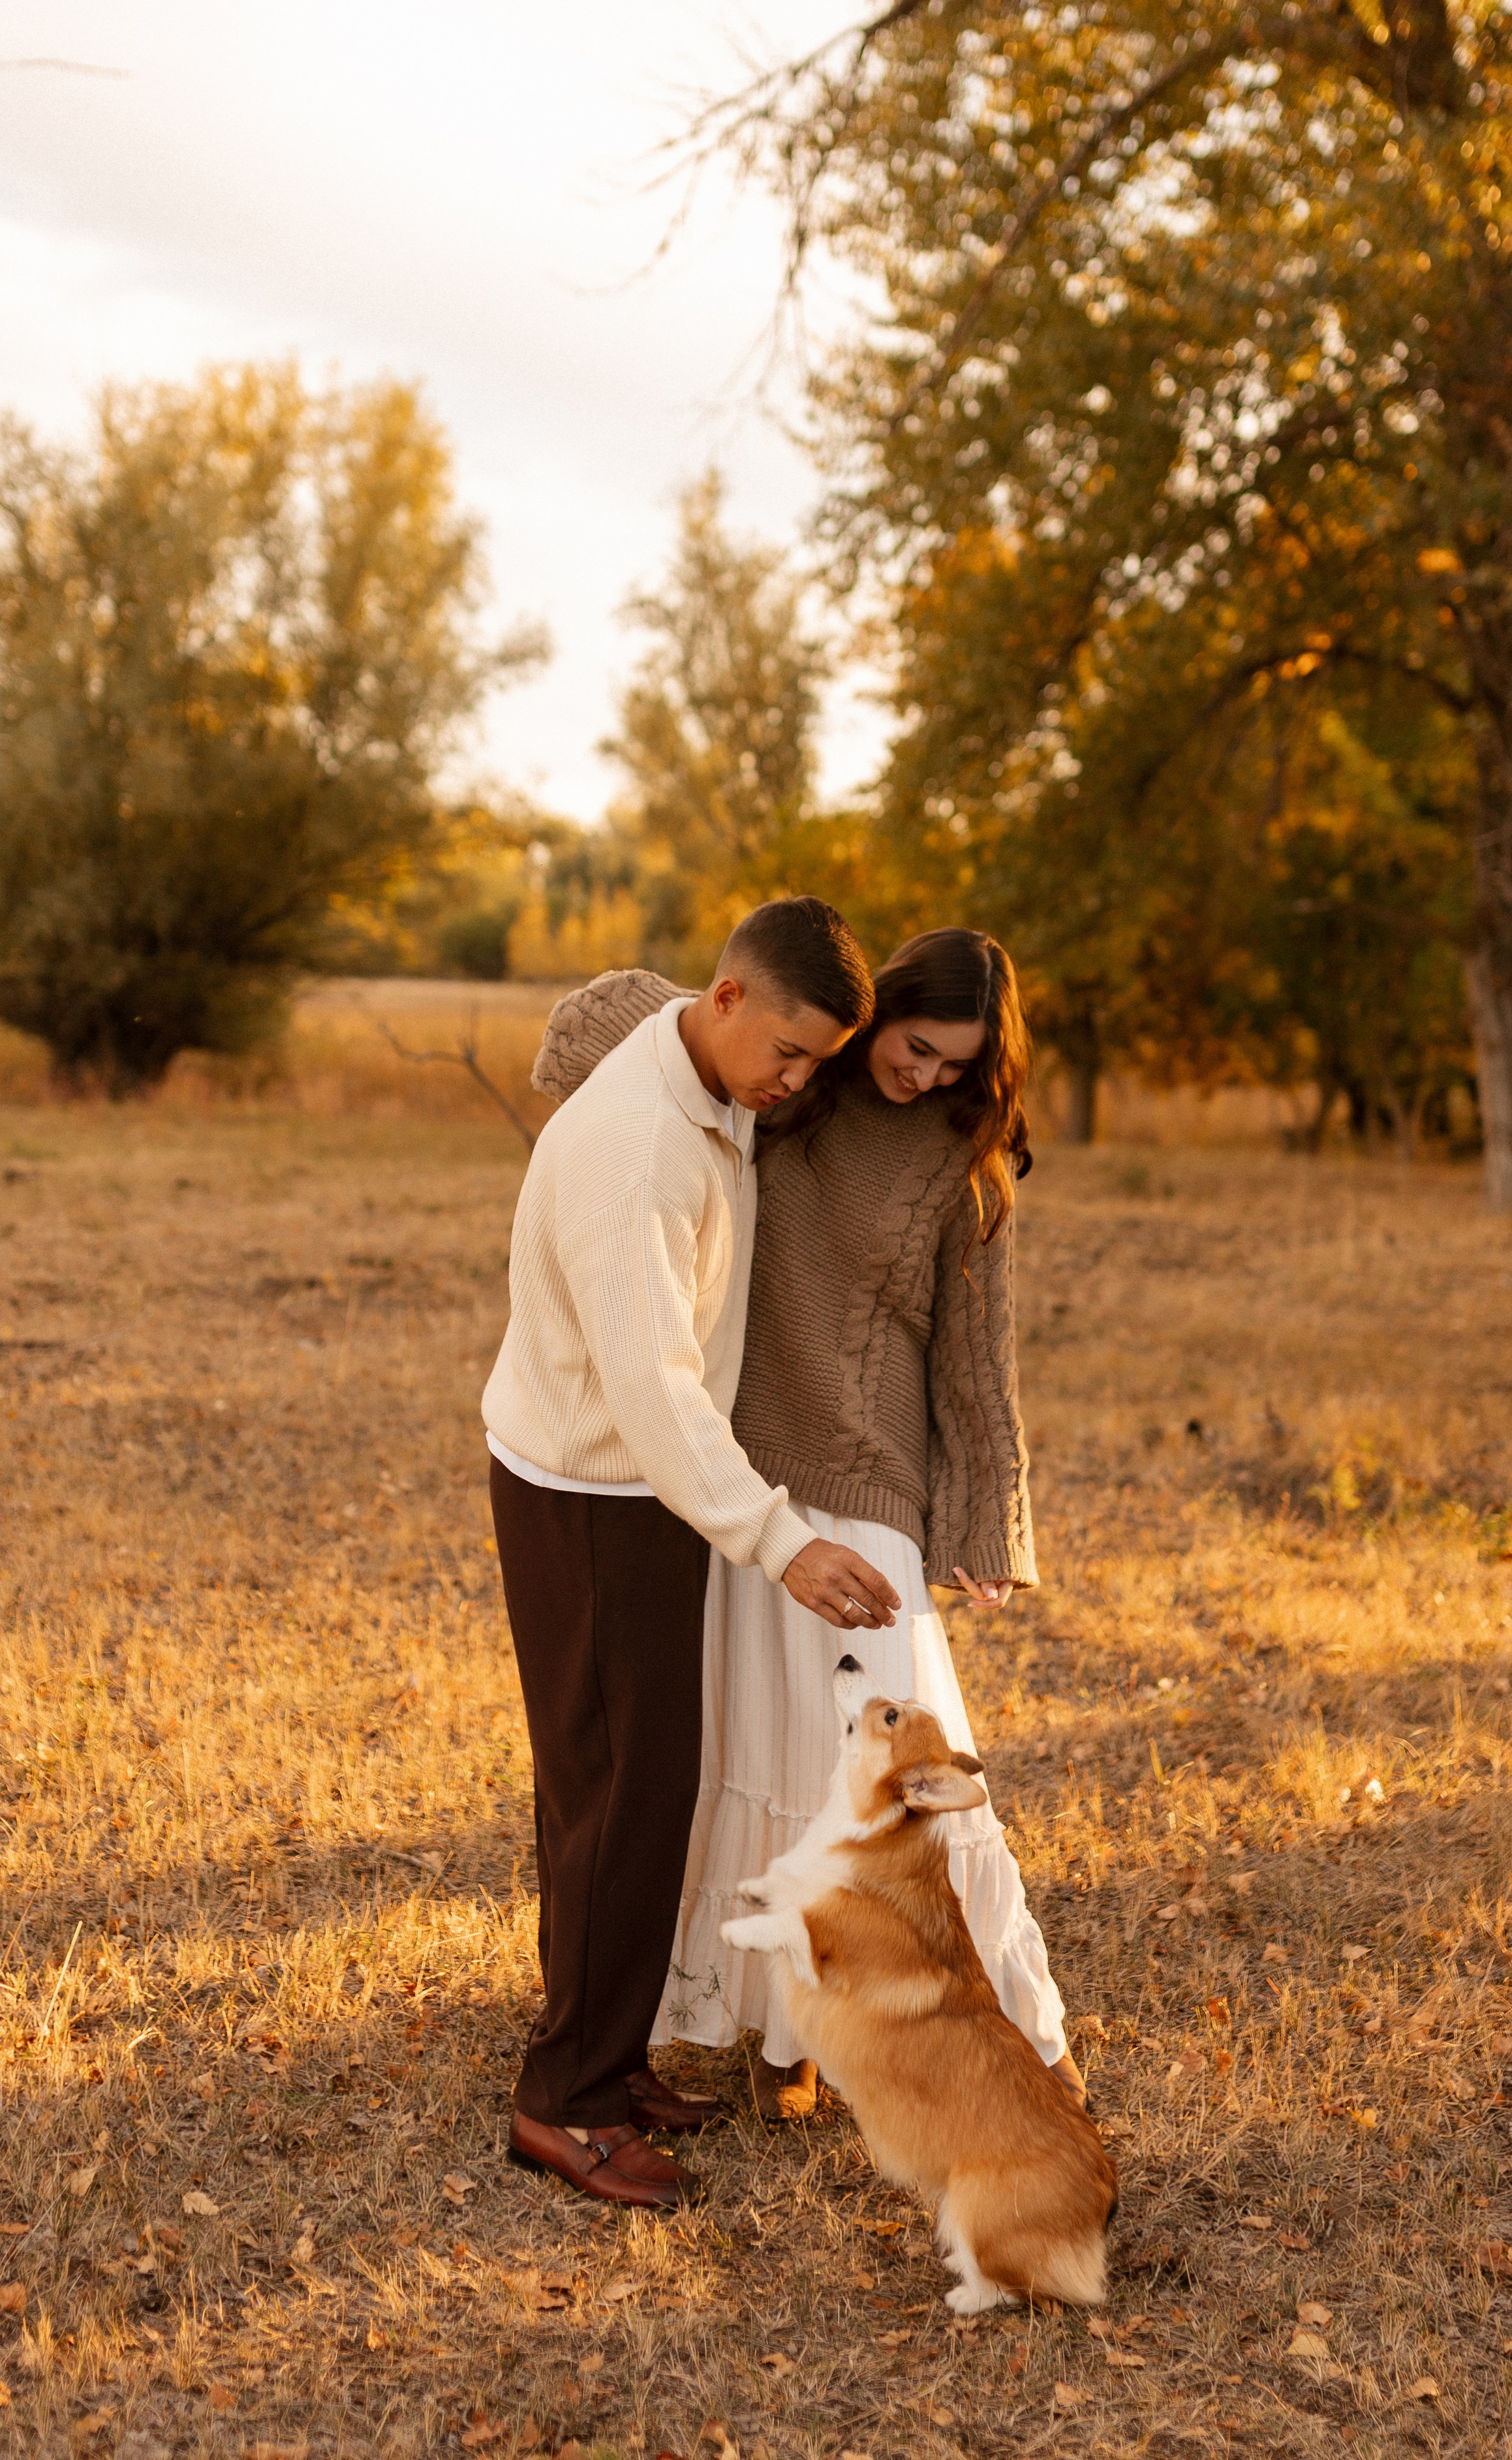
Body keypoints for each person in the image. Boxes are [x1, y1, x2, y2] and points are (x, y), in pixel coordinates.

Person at [533, 926, 1082, 2121]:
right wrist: (631, 1027)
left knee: (902, 1778)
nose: (926, 1077)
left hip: (869, 1487)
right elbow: (633, 1029)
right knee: (753, 1759)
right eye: (917, 1046)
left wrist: (989, 1520)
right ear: (871, 1018)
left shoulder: (961, 1160)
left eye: (956, 1063)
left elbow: (978, 1360)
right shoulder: (791, 1087)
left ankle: (1030, 2050)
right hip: (735, 1483)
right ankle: (785, 2039)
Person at [481, 897, 900, 2212]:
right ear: (723, 1001)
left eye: (817, 1062)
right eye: (787, 1051)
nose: (795, 1082)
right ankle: (562, 2105)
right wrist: (777, 1542)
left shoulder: (706, 1087)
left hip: (636, 1483)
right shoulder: (634, 1148)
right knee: (622, 1793)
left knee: (628, 1787)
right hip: (594, 1494)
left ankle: (597, 2066)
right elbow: (652, 1390)